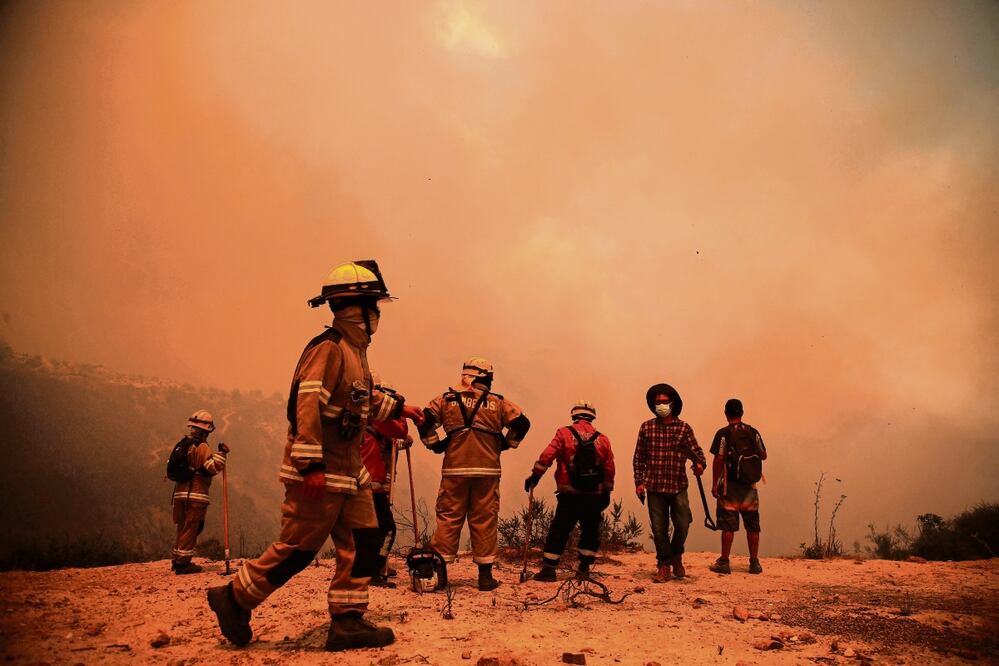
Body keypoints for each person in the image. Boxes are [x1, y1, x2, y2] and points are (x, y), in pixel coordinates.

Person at [207, 260, 424, 651]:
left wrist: (398, 408)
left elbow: (356, 401)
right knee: (298, 549)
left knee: (366, 541)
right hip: (322, 471)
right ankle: (235, 598)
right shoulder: (328, 348)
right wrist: (310, 466)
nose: (376, 315)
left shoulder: (356, 353)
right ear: (355, 307)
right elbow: (306, 405)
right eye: (373, 305)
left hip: (350, 473)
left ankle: (348, 621)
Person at [418, 356, 531, 591]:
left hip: (454, 470)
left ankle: (439, 575)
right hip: (488, 471)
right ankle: (485, 577)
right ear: (485, 378)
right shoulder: (498, 402)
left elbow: (423, 419)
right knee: (485, 519)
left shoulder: (446, 400)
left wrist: (435, 444)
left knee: (449, 518)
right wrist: (506, 444)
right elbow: (523, 424)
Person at [525, 400, 615, 582]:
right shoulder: (602, 439)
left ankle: (549, 570)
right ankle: (583, 570)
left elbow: (548, 455)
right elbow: (610, 468)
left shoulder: (564, 433)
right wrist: (607, 491)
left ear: (574, 415)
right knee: (590, 530)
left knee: (560, 529)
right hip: (593, 495)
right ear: (592, 417)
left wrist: (535, 476)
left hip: (569, 493)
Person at [633, 383, 706, 583]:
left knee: (683, 524)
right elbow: (639, 457)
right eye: (658, 402)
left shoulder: (684, 428)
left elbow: (698, 455)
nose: (661, 405)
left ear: (672, 403)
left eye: (665, 402)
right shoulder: (646, 427)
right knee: (659, 529)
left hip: (677, 486)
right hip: (655, 486)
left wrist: (699, 465)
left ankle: (676, 554)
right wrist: (639, 482)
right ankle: (664, 565)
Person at [361, 373, 412, 588]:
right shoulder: (378, 418)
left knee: (365, 529)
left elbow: (390, 442)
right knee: (386, 528)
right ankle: (375, 571)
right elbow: (400, 431)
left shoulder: (361, 419)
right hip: (372, 484)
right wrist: (399, 410)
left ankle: (370, 568)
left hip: (363, 482)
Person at [709, 398, 767, 575]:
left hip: (730, 485)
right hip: (750, 486)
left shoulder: (723, 434)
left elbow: (718, 459)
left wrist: (714, 483)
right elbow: (763, 455)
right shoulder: (753, 432)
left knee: (728, 525)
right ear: (742, 412)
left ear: (726, 413)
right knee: (753, 525)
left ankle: (725, 561)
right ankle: (754, 562)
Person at [169, 410, 228, 574]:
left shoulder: (184, 444)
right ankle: (183, 564)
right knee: (192, 527)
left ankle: (176, 559)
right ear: (206, 430)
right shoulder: (201, 447)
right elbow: (211, 468)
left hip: (179, 495)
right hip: (196, 495)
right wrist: (222, 454)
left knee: (182, 527)